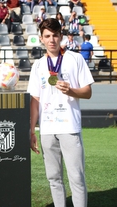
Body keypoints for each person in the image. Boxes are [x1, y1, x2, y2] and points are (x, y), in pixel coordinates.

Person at [27, 18, 94, 207]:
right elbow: (35, 100)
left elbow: (88, 92)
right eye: (47, 36)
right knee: (54, 178)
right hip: (47, 129)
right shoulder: (38, 65)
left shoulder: (75, 59)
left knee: (76, 177)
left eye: (55, 35)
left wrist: (70, 90)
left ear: (61, 36)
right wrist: (32, 130)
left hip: (69, 127)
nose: (52, 40)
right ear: (41, 38)